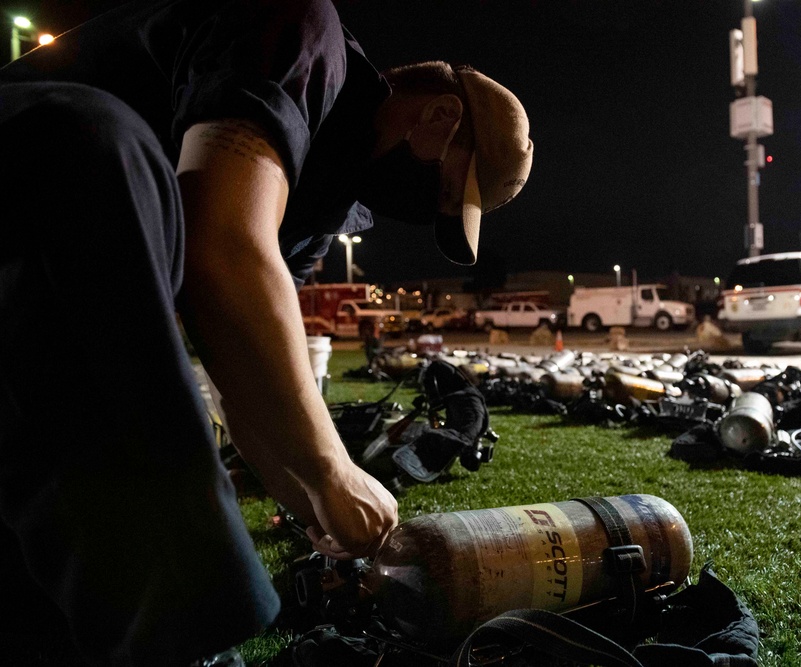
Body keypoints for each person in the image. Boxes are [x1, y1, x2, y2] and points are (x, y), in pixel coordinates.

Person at [0, 0, 533, 664]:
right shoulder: (307, 32)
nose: (436, 211)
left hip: (35, 304)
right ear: (441, 115)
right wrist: (332, 471)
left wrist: (311, 501)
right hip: (35, 173)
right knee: (100, 143)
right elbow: (222, 246)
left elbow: (241, 361)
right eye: (452, 191)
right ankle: (179, 633)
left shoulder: (327, 197)